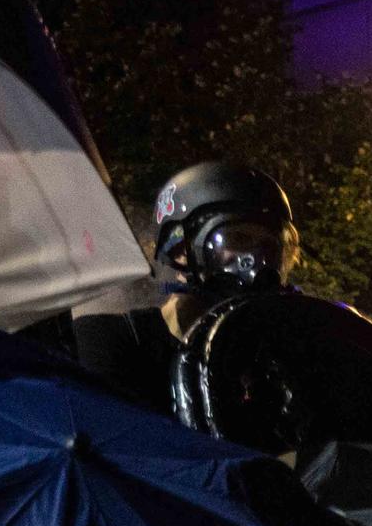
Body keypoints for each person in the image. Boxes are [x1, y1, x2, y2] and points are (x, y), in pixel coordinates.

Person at [70, 161, 301, 406]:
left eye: (268, 246)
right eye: (238, 238)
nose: (258, 259)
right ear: (179, 249)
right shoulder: (111, 339)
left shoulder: (280, 363)